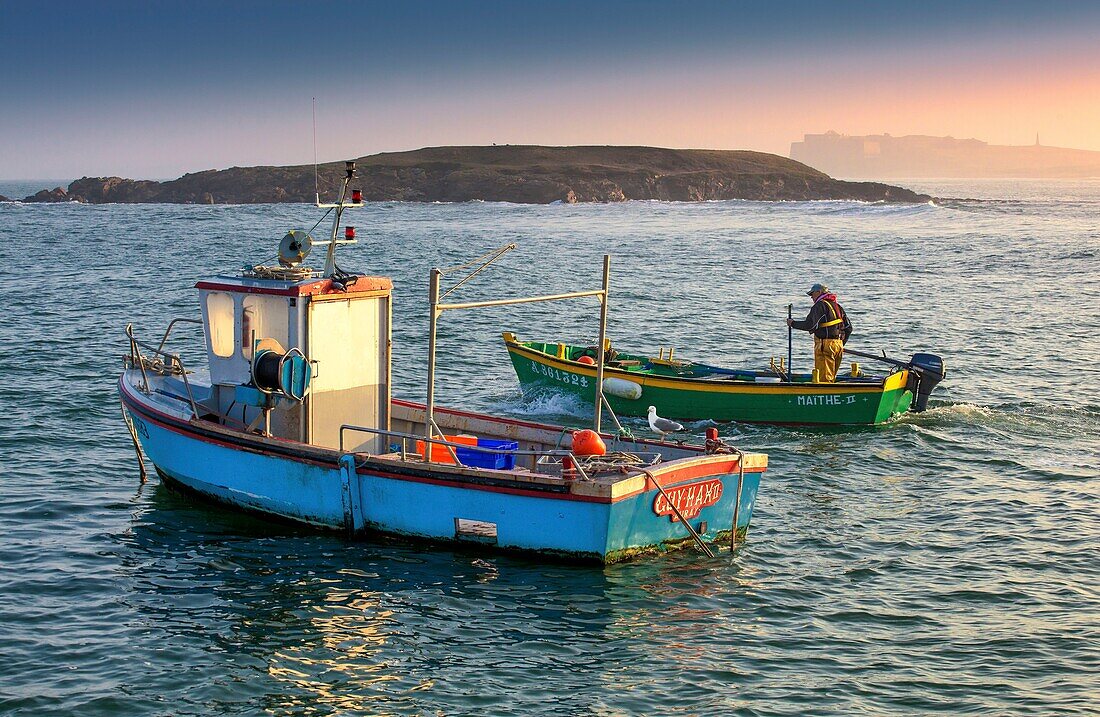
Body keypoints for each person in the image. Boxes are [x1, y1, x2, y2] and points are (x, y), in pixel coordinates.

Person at [787, 283, 852, 382]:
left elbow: (810, 325)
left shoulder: (819, 305)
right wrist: (841, 344)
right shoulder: (837, 306)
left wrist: (793, 323)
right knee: (831, 377)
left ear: (819, 292)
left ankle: (824, 396)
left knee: (824, 379)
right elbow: (848, 328)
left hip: (825, 345)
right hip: (838, 346)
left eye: (812, 294)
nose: (811, 297)